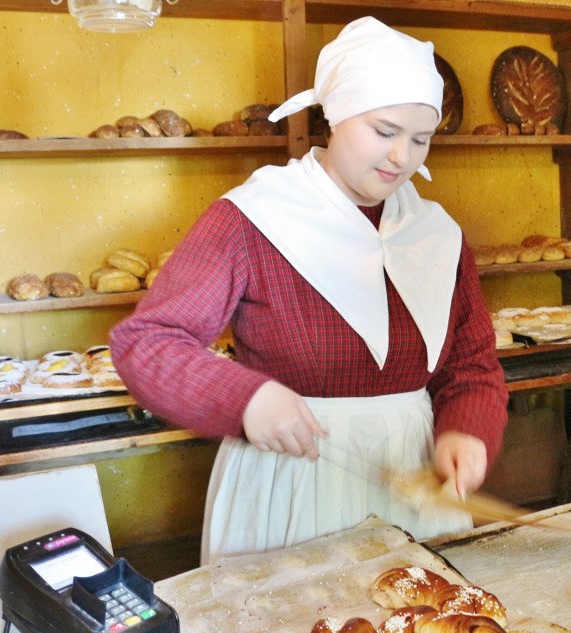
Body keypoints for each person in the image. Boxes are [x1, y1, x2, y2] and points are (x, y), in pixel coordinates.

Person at [109, 16, 508, 563]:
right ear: (336, 116)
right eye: (385, 132)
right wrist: (246, 398)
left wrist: (468, 430)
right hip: (294, 482)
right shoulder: (254, 218)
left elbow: (471, 366)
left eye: (421, 139)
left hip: (418, 484)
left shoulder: (436, 233)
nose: (402, 158)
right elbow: (147, 343)